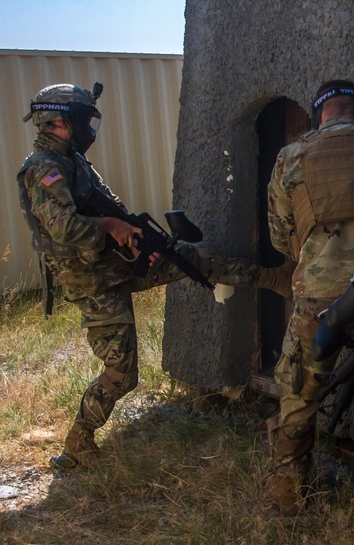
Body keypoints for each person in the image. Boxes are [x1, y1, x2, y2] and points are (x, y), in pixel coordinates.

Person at [17, 82, 287, 471]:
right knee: (122, 374)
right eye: (82, 120)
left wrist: (136, 239)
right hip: (92, 282)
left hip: (114, 263)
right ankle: (78, 441)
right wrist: (112, 227)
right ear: (59, 121)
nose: (88, 129)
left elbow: (111, 209)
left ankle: (272, 278)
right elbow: (65, 229)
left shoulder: (73, 162)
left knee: (192, 257)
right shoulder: (44, 168)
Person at [262, 80, 354, 511]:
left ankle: (288, 494)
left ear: (321, 113)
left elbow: (282, 236)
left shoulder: (290, 158)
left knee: (300, 393)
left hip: (317, 299)